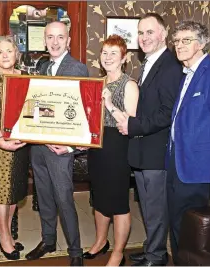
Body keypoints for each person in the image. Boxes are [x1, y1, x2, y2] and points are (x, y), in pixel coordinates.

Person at [116, 13, 183, 266]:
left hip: (157, 151)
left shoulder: (170, 65)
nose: (144, 38)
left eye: (150, 32)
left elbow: (167, 113)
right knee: (147, 207)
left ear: (163, 34)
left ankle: (156, 257)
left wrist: (133, 125)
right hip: (144, 150)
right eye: (141, 33)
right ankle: (152, 247)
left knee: (156, 208)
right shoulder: (148, 63)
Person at [25, 21, 89, 267]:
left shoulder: (78, 69)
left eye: (59, 37)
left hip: (60, 149)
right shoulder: (42, 66)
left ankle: (75, 251)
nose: (54, 42)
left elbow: (81, 112)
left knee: (64, 199)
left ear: (68, 40)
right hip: (39, 146)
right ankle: (48, 239)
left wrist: (71, 147)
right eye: (50, 37)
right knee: (44, 196)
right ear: (44, 41)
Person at [167, 20, 210, 264]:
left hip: (196, 167)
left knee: (190, 231)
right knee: (177, 223)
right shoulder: (187, 74)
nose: (179, 45)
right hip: (176, 163)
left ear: (201, 44)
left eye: (186, 40)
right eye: (177, 41)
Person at [83, 35, 139, 266]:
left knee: (117, 201)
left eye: (113, 53)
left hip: (118, 145)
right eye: (104, 52)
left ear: (124, 58)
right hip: (97, 145)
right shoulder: (97, 82)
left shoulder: (130, 84)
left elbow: (132, 122)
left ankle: (118, 252)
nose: (108, 57)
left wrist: (108, 104)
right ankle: (100, 241)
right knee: (98, 196)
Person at [0, 35, 29, 260]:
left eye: (9, 50)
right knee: (1, 194)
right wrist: (2, 141)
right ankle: (3, 236)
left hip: (21, 144)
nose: (5, 55)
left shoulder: (25, 77)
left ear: (16, 53)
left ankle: (8, 233)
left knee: (14, 193)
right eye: (0, 52)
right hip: (0, 145)